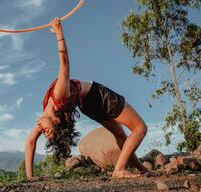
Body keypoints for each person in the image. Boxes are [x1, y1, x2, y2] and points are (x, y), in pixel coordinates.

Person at [25, 17, 151, 179]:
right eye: (47, 131)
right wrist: (59, 33)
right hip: (98, 97)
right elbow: (64, 64)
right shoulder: (59, 97)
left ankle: (143, 170)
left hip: (87, 106)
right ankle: (119, 170)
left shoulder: (48, 112)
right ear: (56, 121)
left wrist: (30, 177)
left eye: (44, 132)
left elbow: (30, 142)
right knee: (140, 129)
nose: (42, 129)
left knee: (120, 136)